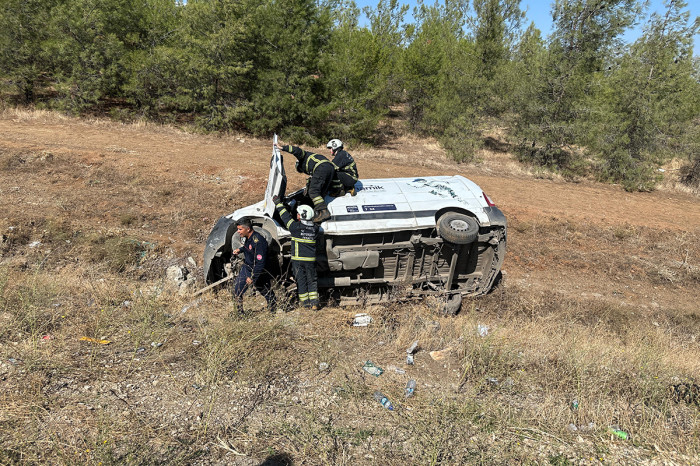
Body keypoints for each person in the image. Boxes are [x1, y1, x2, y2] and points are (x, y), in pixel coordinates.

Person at [273, 196, 320, 310]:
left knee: (301, 281)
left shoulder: (295, 228)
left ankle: (305, 304)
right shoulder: (315, 229)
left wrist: (278, 203)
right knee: (311, 281)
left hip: (298, 261)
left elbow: (285, 217)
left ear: (299, 216)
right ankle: (314, 303)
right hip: (310, 261)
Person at [276, 141, 334, 223]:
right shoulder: (312, 161)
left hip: (322, 168)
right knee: (320, 192)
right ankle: (318, 212)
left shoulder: (303, 157)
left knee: (313, 191)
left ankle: (324, 211)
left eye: (300, 169)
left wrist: (282, 148)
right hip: (329, 168)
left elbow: (297, 150)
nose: (302, 171)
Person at [231, 217, 277, 314]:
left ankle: (273, 310)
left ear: (248, 229)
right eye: (238, 229)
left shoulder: (259, 241)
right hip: (247, 267)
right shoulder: (248, 238)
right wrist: (240, 249)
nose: (238, 232)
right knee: (237, 289)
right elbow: (248, 248)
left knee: (265, 290)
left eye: (240, 229)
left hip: (257, 270)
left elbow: (260, 262)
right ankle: (239, 313)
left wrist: (253, 276)